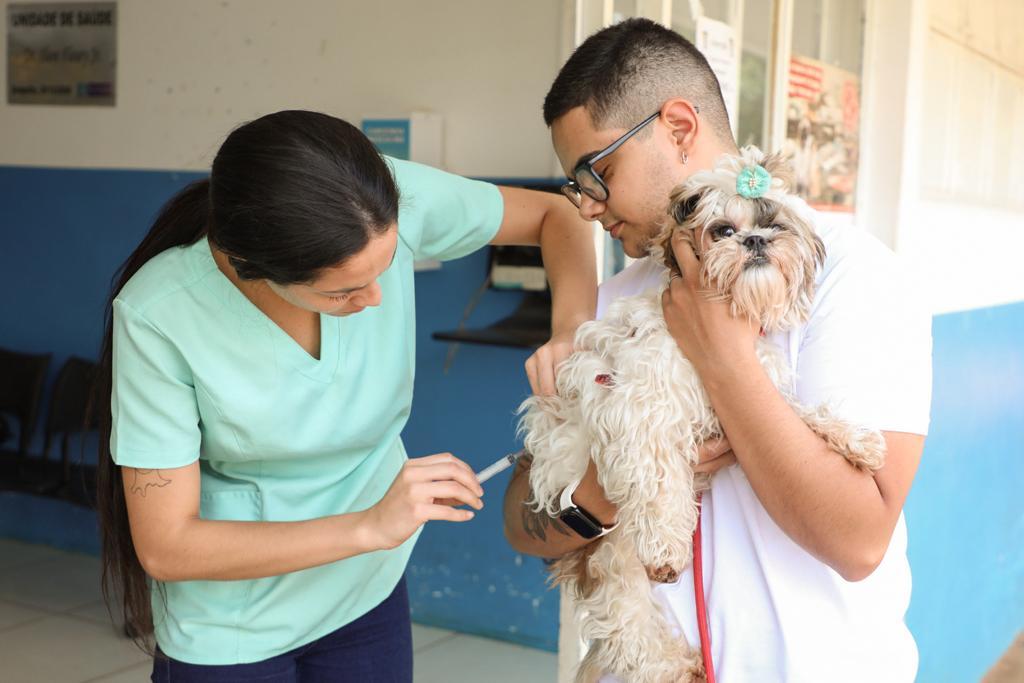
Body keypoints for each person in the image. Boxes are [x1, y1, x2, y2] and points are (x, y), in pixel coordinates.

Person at [95, 109, 595, 681]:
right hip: (233, 625)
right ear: (253, 267)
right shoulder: (161, 313)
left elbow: (559, 215)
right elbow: (166, 545)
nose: (377, 300)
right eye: (345, 291)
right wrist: (368, 526)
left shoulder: (389, 198)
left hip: (367, 594)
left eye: (385, 267)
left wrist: (572, 332)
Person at [503, 19, 932, 683]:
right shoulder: (609, 299)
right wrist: (605, 486)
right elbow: (521, 521)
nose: (586, 206)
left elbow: (858, 538)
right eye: (576, 186)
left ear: (677, 126)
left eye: (597, 171)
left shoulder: (850, 274)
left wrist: (722, 356)